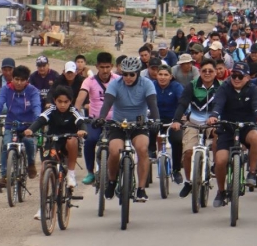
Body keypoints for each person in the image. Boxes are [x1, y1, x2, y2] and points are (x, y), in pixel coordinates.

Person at [94, 56, 160, 202]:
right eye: (125, 74)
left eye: (132, 74)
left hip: (139, 125)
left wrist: (156, 120)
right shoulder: (115, 84)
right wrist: (102, 117)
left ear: (137, 73)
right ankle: (111, 181)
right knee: (114, 150)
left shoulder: (147, 84)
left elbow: (153, 104)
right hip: (118, 124)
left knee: (142, 149)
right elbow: (107, 103)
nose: (128, 78)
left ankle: (141, 189)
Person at [206, 62, 257, 208]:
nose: (236, 79)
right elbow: (218, 104)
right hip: (227, 127)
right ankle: (221, 191)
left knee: (256, 137)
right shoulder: (224, 88)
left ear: (247, 77)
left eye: (240, 76)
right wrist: (214, 115)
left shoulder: (254, 89)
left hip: (247, 126)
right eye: (234, 75)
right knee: (220, 161)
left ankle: (252, 172)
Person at [173, 57, 221, 198]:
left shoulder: (222, 87)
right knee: (188, 152)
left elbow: (224, 105)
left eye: (210, 71)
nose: (207, 73)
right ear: (199, 72)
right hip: (194, 123)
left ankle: (216, 164)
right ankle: (188, 181)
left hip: (213, 123)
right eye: (204, 70)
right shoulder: (192, 85)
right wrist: (176, 120)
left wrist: (217, 118)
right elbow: (182, 103)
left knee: (219, 136)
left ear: (215, 73)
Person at [24, 86, 87, 188]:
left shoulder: (73, 111)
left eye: (66, 102)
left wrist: (82, 130)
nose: (62, 105)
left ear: (70, 101)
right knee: (46, 163)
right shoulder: (51, 110)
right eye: (59, 101)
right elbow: (40, 120)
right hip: (52, 140)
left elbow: (81, 122)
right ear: (54, 101)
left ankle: (71, 174)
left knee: (73, 141)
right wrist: (30, 130)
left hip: (68, 141)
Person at [0, 65, 42, 185]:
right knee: (6, 145)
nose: (18, 82)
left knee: (29, 142)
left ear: (26, 81)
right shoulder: (6, 89)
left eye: (22, 80)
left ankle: (31, 164)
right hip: (11, 123)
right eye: (16, 79)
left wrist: (37, 121)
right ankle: (4, 175)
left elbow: (36, 106)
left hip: (28, 125)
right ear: (12, 79)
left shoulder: (32, 91)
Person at [75, 52, 116, 185]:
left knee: (116, 146)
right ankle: (90, 172)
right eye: (102, 67)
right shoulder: (89, 81)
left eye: (108, 67)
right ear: (97, 66)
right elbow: (82, 96)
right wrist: (75, 111)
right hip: (95, 120)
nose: (105, 70)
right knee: (90, 140)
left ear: (112, 66)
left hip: (114, 120)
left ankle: (119, 173)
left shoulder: (118, 80)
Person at [152, 63, 185, 183]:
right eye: (160, 74)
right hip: (155, 118)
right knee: (149, 131)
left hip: (173, 120)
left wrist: (182, 116)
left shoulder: (176, 87)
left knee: (177, 140)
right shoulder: (151, 86)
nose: (162, 77)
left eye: (166, 75)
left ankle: (176, 170)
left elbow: (183, 103)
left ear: (171, 76)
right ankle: (151, 152)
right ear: (156, 75)